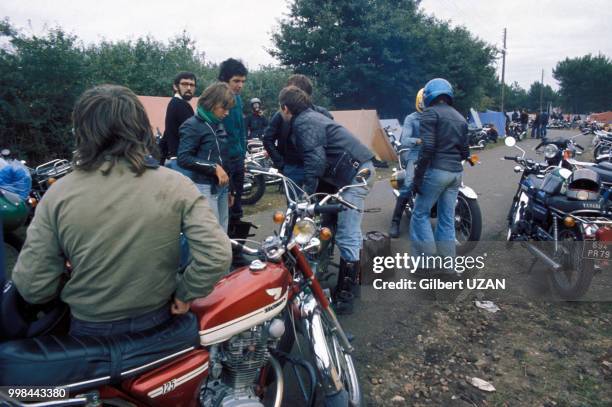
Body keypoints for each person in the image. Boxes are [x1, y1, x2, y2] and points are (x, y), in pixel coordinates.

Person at [11, 84, 232, 335]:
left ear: (81, 131)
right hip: (160, 319)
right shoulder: (177, 185)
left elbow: (33, 287)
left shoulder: (58, 194)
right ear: (141, 128)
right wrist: (186, 293)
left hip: (88, 329)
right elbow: (217, 256)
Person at [279, 86, 375, 314]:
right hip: (353, 171)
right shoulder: (312, 116)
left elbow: (315, 161)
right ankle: (356, 275)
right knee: (338, 227)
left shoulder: (303, 123)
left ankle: (346, 294)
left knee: (347, 233)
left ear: (285, 108)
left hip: (354, 175)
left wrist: (306, 196)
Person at [409, 78, 469, 272]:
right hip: (455, 174)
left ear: (428, 96)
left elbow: (427, 147)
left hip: (436, 171)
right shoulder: (460, 117)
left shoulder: (430, 113)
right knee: (446, 218)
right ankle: (448, 267)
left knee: (419, 214)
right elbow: (465, 152)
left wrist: (418, 177)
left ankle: (427, 263)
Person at [178, 82, 234, 231]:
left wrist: (230, 189)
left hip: (222, 187)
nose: (227, 112)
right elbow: (183, 158)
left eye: (228, 108)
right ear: (211, 103)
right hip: (204, 187)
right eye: (224, 108)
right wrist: (213, 167)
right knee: (210, 236)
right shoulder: (192, 125)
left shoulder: (218, 123)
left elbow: (225, 157)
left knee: (222, 232)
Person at [263, 74, 333, 191]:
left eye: (292, 91)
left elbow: (332, 141)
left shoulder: (322, 113)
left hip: (319, 169)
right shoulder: (281, 114)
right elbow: (267, 138)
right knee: (295, 207)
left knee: (320, 206)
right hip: (293, 168)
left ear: (304, 94)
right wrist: (281, 163)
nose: (287, 94)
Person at [389, 88, 424, 238]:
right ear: (419, 102)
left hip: (435, 154)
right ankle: (395, 221)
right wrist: (418, 140)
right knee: (409, 183)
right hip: (416, 153)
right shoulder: (411, 118)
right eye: (424, 101)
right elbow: (404, 140)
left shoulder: (437, 117)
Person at [218, 58, 248, 222]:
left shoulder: (237, 99)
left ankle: (236, 245)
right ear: (224, 80)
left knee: (237, 206)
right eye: (236, 81)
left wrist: (243, 157)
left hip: (238, 159)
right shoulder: (217, 100)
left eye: (243, 81)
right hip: (224, 162)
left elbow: (240, 130)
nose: (240, 85)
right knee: (226, 207)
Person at [159, 72, 196, 175]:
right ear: (175, 86)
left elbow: (168, 133)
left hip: (178, 161)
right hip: (183, 161)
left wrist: (160, 159)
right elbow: (193, 135)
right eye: (184, 84)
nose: (189, 88)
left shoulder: (175, 104)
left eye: (192, 85)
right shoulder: (179, 105)